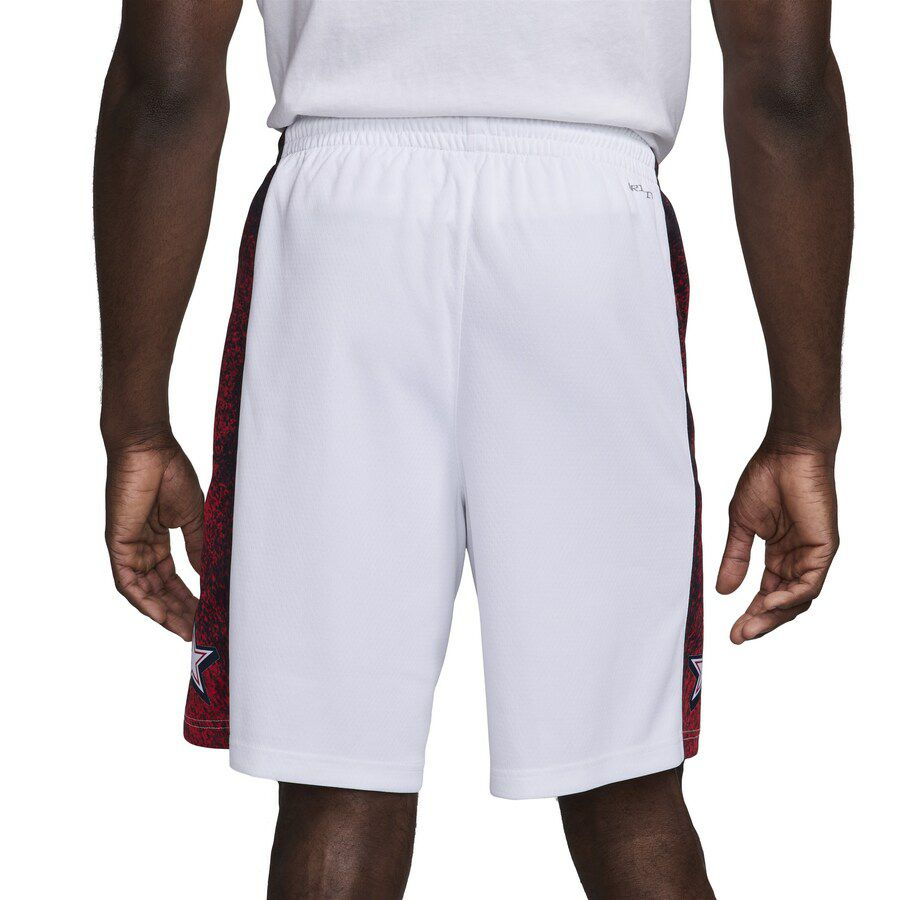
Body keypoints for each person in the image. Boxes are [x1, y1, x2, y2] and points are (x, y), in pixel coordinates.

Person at [96, 2, 851, 897]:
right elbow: (786, 86)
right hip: (590, 222)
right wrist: (804, 430)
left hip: (342, 228)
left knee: (336, 787)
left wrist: (134, 423)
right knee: (628, 787)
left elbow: (165, 84)